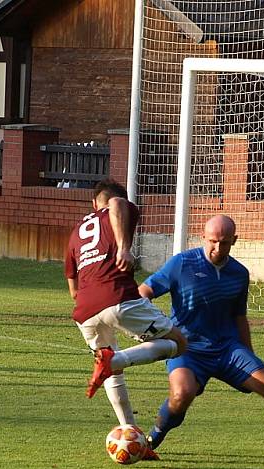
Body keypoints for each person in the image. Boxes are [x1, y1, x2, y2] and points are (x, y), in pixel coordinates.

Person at [139, 214, 264, 464]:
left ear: (234, 241)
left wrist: (250, 355)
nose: (217, 248)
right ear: (203, 237)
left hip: (228, 349)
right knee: (182, 395)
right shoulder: (181, 264)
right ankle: (151, 441)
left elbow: (239, 318)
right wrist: (146, 321)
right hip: (188, 349)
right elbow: (145, 291)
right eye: (213, 241)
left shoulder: (238, 273)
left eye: (224, 242)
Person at [64, 178, 187, 434]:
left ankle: (130, 433)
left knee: (111, 372)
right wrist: (123, 249)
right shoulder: (120, 205)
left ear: (91, 204)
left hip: (84, 313)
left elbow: (73, 289)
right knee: (179, 343)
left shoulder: (77, 231)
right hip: (118, 298)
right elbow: (118, 203)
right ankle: (116, 359)